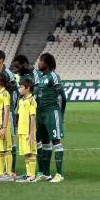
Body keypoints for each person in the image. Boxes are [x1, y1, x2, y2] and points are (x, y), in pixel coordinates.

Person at [36, 53, 66, 183]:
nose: (39, 63)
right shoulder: (42, 77)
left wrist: (61, 113)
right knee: (45, 143)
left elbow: (62, 96)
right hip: (41, 114)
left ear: (47, 63)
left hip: (52, 112)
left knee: (56, 142)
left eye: (41, 61)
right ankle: (46, 174)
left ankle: (59, 174)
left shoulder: (53, 75)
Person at [0, 50, 19, 173]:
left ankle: (10, 169)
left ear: (1, 60)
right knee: (1, 142)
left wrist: (14, 109)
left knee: (9, 140)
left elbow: (16, 92)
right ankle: (2, 169)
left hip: (8, 111)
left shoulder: (8, 74)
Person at [16, 79, 38, 182]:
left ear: (27, 88)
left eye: (21, 87)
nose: (19, 89)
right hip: (21, 131)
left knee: (31, 153)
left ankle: (32, 176)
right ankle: (28, 174)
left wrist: (32, 133)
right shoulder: (21, 101)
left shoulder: (32, 100)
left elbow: (32, 118)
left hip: (29, 132)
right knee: (25, 153)